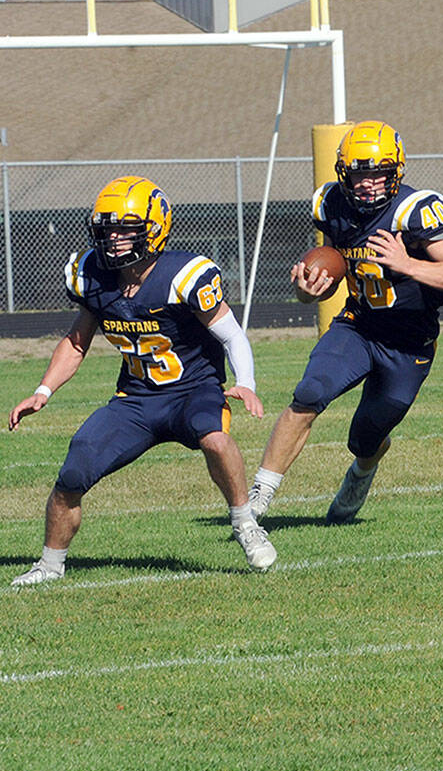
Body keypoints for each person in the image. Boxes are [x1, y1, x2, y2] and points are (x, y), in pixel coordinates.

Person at [7, 175, 275, 585]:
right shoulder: (91, 274)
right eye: (107, 229)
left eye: (125, 229)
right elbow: (77, 341)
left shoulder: (185, 274)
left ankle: (245, 523)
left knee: (216, 439)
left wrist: (248, 381)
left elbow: (231, 333)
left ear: (154, 229)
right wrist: (42, 391)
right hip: (136, 399)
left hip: (194, 390)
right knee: (73, 471)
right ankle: (49, 565)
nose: (114, 238)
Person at [247, 120, 443, 524]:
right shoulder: (332, 205)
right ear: (344, 173)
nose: (368, 183)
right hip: (358, 326)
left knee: (365, 438)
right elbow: (321, 281)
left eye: (379, 174)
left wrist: (407, 263)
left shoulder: (414, 211)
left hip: (409, 342)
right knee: (309, 394)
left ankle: (362, 471)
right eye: (359, 173)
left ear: (396, 173)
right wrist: (307, 288)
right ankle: (256, 500)